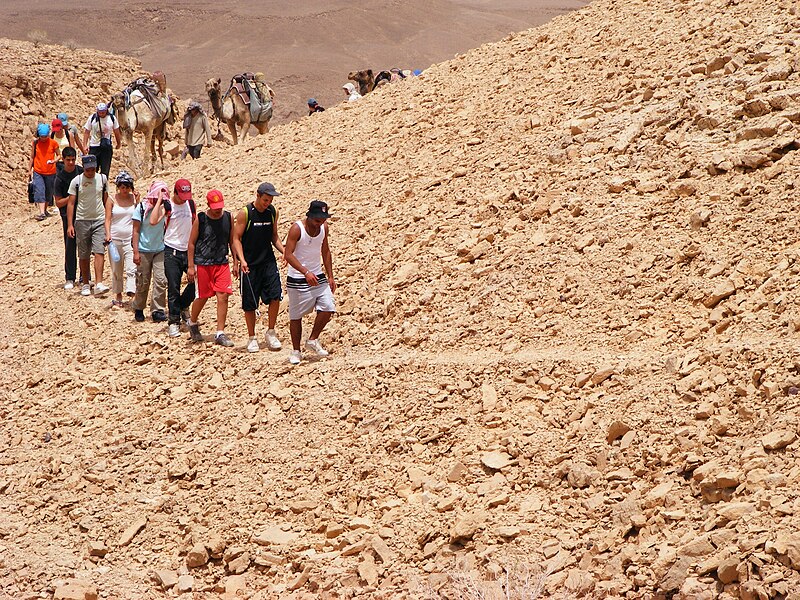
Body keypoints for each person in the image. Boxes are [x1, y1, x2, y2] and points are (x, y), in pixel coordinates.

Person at [231, 182, 284, 353]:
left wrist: (285, 252)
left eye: (270, 201)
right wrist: (241, 260)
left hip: (268, 261)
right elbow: (236, 239)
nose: (267, 203)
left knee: (276, 295)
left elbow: (274, 236)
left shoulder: (272, 213)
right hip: (250, 264)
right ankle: (252, 337)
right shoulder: (245, 213)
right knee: (249, 303)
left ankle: (271, 331)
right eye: (265, 200)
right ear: (258, 196)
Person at [283, 200, 336, 365]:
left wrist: (330, 275)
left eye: (323, 220)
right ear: (310, 216)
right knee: (296, 316)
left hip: (317, 275)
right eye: (317, 220)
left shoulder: (323, 228)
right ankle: (296, 350)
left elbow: (325, 250)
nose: (320, 223)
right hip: (298, 277)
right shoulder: (297, 229)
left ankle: (313, 339)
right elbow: (288, 254)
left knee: (328, 307)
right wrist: (305, 272)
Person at [186, 190, 234, 347]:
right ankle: (192, 322)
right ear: (208, 205)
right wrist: (191, 266)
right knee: (203, 296)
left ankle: (220, 332)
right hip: (203, 263)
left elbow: (231, 240)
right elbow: (192, 243)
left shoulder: (228, 217)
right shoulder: (201, 219)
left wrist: (236, 260)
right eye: (214, 207)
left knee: (223, 296)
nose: (218, 209)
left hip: (222, 262)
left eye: (219, 206)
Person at [150, 178, 196, 337]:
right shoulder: (169, 206)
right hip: (172, 250)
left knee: (196, 284)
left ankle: (183, 305)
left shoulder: (190, 204)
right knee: (173, 287)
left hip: (188, 250)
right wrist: (160, 202)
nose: (184, 198)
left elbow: (195, 224)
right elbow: (153, 220)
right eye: (182, 195)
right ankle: (174, 321)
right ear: (175, 192)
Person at [66, 154, 109, 296]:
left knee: (99, 250)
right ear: (84, 168)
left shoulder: (102, 179)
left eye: (93, 169)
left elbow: (105, 199)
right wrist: (70, 225)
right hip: (82, 220)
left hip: (99, 219)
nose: (90, 172)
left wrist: (107, 221)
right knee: (83, 253)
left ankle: (99, 283)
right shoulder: (76, 181)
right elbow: (71, 203)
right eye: (88, 169)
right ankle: (85, 282)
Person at [132, 181, 168, 323]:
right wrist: (135, 252)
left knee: (160, 280)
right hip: (143, 249)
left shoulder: (165, 207)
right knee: (143, 281)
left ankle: (157, 310)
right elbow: (135, 231)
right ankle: (139, 307)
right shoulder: (141, 208)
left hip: (160, 248)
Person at [104, 171, 138, 307]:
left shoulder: (134, 200)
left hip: (130, 239)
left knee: (132, 268)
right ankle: (118, 295)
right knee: (117, 270)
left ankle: (131, 292)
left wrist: (138, 200)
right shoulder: (111, 199)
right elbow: (107, 219)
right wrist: (108, 234)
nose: (125, 190)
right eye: (122, 187)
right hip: (115, 239)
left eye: (127, 187)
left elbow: (138, 216)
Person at [53, 147, 83, 290]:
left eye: (73, 159)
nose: (71, 163)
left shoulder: (81, 172)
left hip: (84, 213)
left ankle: (85, 276)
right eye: (68, 160)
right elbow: (58, 202)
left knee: (84, 245)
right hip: (67, 215)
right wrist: (71, 197)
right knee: (70, 246)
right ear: (63, 160)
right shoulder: (59, 178)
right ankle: (70, 277)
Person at [29, 122, 61, 221]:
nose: (44, 138)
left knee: (48, 192)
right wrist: (29, 170)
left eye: (45, 136)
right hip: (38, 171)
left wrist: (54, 161)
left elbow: (59, 155)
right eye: (42, 136)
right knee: (39, 190)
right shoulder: (35, 143)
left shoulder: (53, 143)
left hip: (51, 171)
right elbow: (32, 157)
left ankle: (45, 210)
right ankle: (42, 212)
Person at [82, 102, 121, 178]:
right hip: (94, 146)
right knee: (92, 169)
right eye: (100, 112)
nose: (102, 114)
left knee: (105, 170)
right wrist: (84, 145)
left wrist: (118, 143)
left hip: (106, 147)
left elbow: (116, 131)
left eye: (103, 112)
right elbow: (87, 132)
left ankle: (104, 187)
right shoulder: (92, 118)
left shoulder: (112, 118)